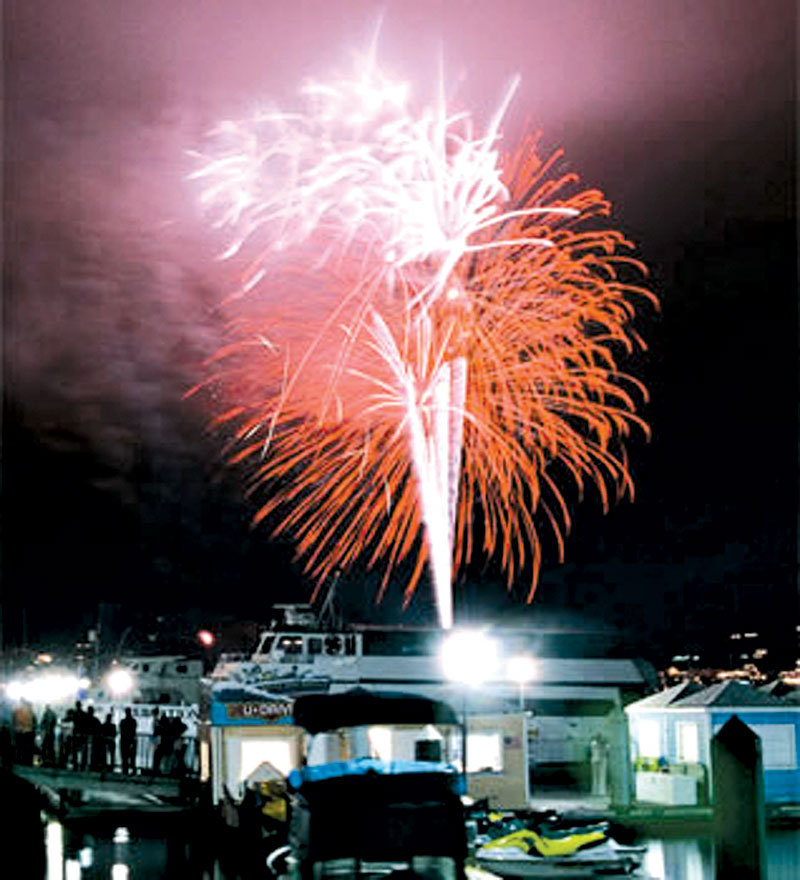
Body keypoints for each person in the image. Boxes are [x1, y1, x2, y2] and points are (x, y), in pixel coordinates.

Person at [120, 708, 137, 776]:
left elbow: (122, 731)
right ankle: (132, 770)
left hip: (124, 741)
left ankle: (125, 770)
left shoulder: (123, 721)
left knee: (125, 757)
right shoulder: (133, 721)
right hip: (131, 741)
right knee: (132, 757)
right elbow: (133, 731)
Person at [86, 706, 103, 770]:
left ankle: (92, 765)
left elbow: (99, 729)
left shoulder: (89, 720)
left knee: (92, 753)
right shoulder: (93, 720)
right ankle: (92, 765)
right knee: (91, 753)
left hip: (93, 739)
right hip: (91, 738)